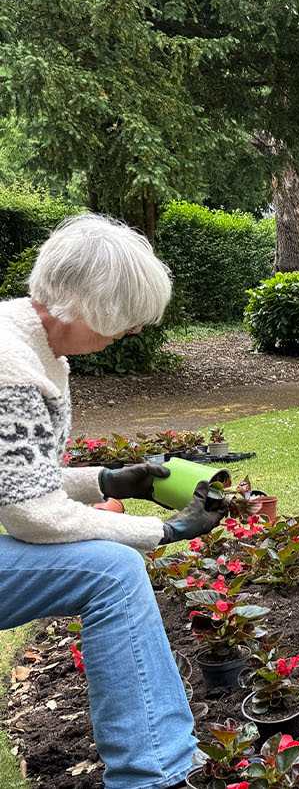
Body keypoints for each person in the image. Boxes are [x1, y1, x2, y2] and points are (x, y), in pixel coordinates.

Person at [0, 214, 224, 789]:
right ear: (89, 305)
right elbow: (31, 513)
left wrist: (111, 481)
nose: (129, 332)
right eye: (125, 319)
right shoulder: (13, 369)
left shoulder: (25, 339)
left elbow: (21, 476)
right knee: (111, 571)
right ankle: (154, 774)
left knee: (108, 566)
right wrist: (163, 533)